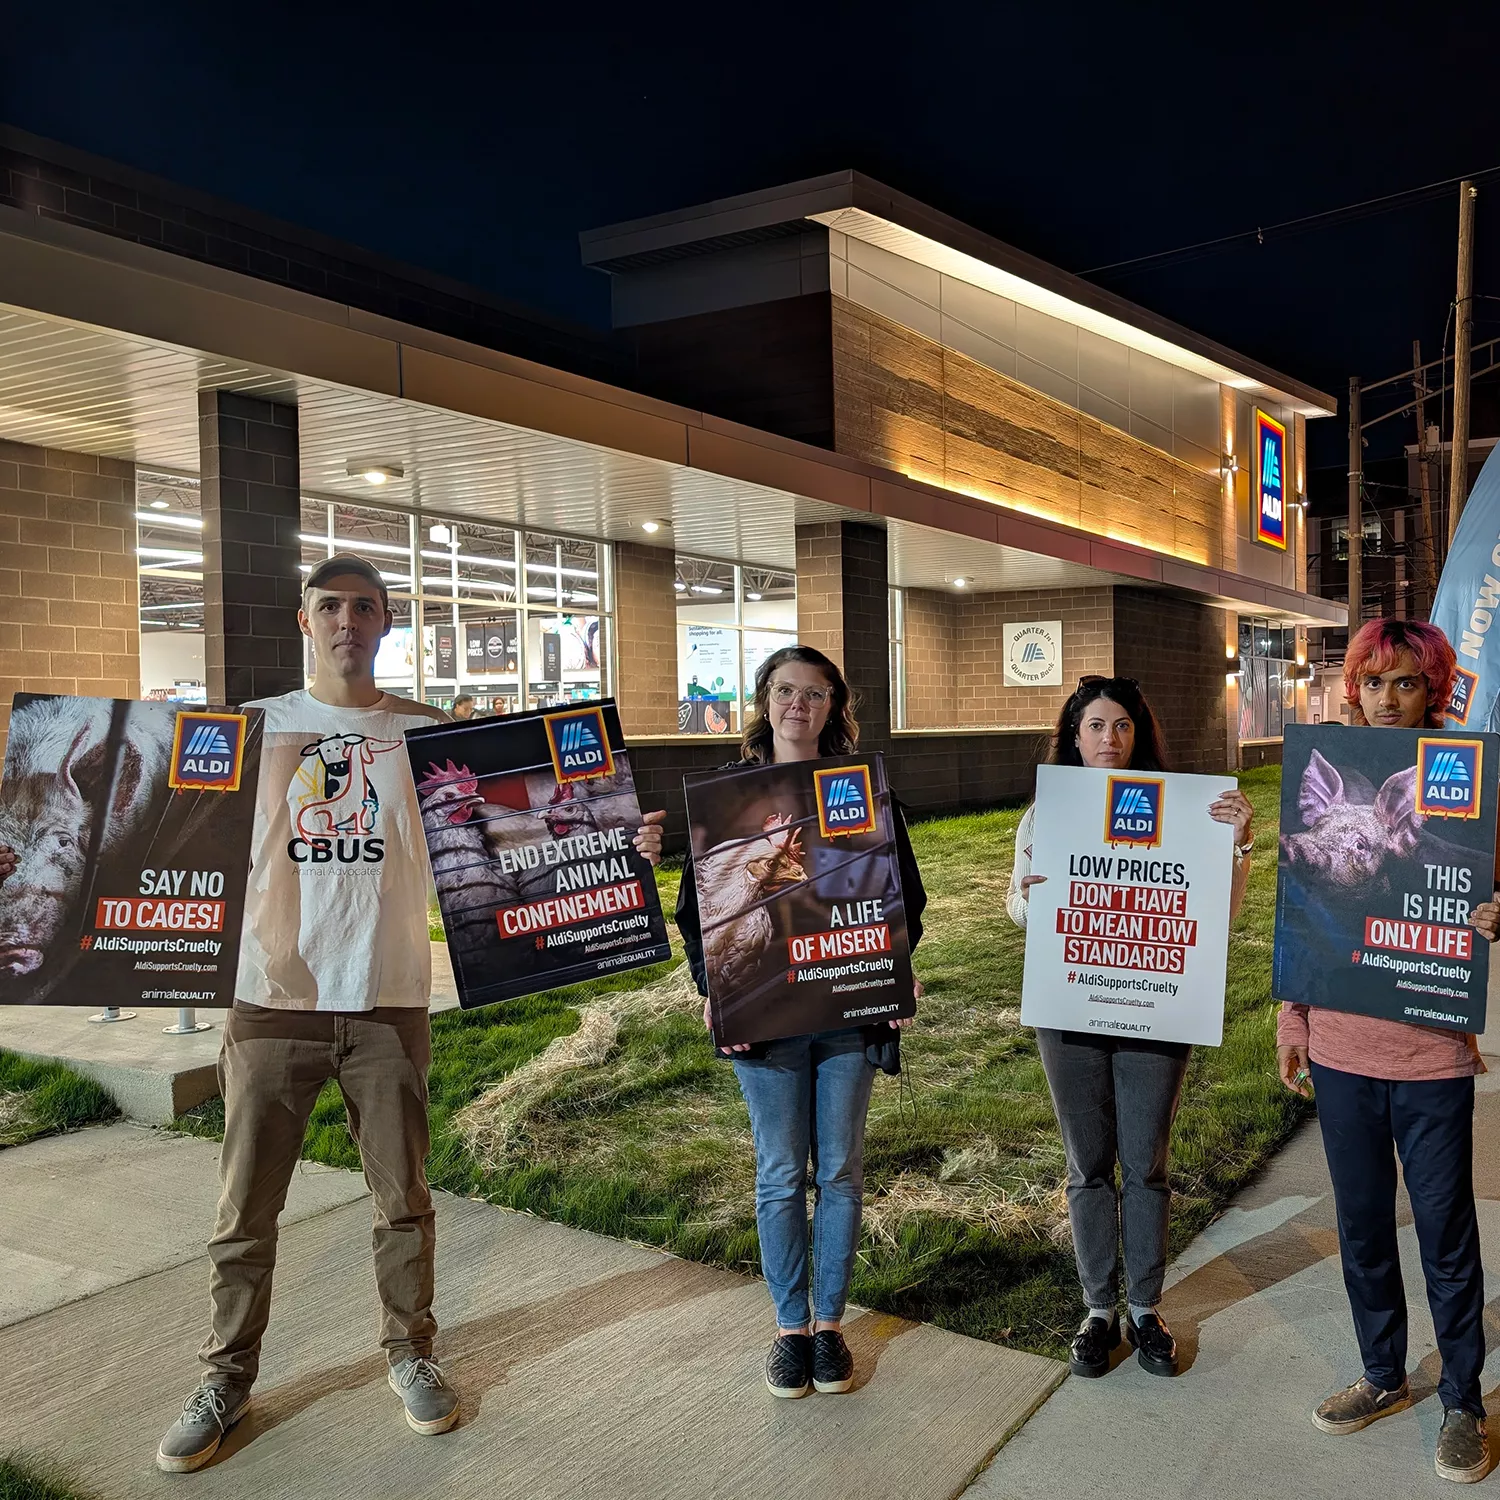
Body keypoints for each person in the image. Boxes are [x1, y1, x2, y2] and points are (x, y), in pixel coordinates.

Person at [148, 551, 666, 1471]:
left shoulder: (430, 737)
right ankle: (224, 1378)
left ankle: (412, 1353)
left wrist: (620, 843)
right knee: (245, 1212)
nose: (348, 621)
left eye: (365, 607)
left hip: (389, 1000)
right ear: (304, 622)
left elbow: (512, 838)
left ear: (387, 624)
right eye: (330, 607)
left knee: (404, 1203)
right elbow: (158, 840)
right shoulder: (246, 730)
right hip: (274, 1001)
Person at [674, 646, 927, 1400]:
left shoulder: (862, 792)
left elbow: (903, 897)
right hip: (766, 1017)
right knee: (782, 1172)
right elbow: (697, 918)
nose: (799, 706)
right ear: (764, 698)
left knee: (842, 1171)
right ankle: (789, 1329)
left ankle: (830, 1325)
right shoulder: (725, 799)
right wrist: (715, 993)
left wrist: (893, 965)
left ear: (834, 707)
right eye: (786, 691)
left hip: (846, 1008)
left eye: (815, 694)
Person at [1277, 618, 1491, 1485]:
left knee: (1445, 1232)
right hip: (1340, 1050)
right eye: (1374, 682)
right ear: (1354, 690)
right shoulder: (1319, 783)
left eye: (1406, 683)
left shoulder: (1467, 790)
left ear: (1431, 690)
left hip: (1431, 1052)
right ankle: (1382, 1375)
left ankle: (1464, 1401)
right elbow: (1301, 922)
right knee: (1363, 1227)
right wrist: (1295, 1028)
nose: (1389, 698)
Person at [1006, 674, 1253, 1380]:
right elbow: (1019, 912)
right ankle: (1096, 1310)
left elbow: (1222, 919)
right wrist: (1030, 897)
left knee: (1145, 1164)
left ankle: (1144, 1307)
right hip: (1071, 1004)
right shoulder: (1043, 814)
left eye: (1120, 726)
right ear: (1073, 736)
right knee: (1087, 1166)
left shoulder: (1188, 814)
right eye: (1094, 726)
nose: (1108, 739)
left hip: (1154, 1003)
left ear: (1136, 734)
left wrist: (1237, 845)